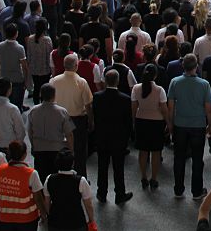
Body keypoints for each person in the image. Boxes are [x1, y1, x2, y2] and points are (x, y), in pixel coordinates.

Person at [167, 53, 211, 200]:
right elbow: (208, 108)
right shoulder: (204, 84)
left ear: (183, 66)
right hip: (198, 126)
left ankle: (178, 189)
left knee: (179, 158)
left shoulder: (175, 82)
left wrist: (170, 125)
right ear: (196, 67)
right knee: (197, 159)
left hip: (180, 124)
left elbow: (170, 106)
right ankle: (196, 190)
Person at [92, 68, 134, 204]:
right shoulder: (125, 99)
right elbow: (128, 121)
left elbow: (95, 116)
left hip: (102, 136)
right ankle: (120, 194)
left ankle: (101, 193)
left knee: (102, 166)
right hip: (118, 137)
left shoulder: (97, 97)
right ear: (118, 81)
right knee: (118, 167)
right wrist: (127, 137)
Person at [49, 53, 93, 176]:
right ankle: (80, 176)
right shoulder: (81, 82)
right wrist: (90, 120)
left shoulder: (54, 81)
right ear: (76, 66)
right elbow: (88, 104)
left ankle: (60, 174)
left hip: (58, 119)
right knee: (79, 151)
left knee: (60, 149)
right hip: (77, 120)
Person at [0, 140, 47, 231]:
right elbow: (38, 198)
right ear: (25, 155)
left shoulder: (0, 170)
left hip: (5, 217)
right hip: (27, 218)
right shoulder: (31, 173)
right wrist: (43, 214)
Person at [26, 83, 74, 182]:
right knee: (56, 178)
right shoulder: (62, 111)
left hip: (39, 149)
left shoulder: (33, 111)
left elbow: (29, 131)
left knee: (41, 178)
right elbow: (69, 134)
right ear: (54, 95)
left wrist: (33, 145)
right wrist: (71, 150)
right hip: (56, 150)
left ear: (40, 95)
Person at [131, 63, 167, 190]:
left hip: (141, 121)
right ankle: (154, 178)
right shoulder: (160, 90)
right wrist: (168, 123)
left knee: (143, 151)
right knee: (156, 151)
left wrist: (134, 122)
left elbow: (134, 107)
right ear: (156, 75)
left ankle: (143, 177)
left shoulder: (136, 88)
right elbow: (164, 109)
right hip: (156, 122)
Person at [43, 148, 97, 231]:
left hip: (56, 222)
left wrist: (51, 216)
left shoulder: (49, 179)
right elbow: (88, 204)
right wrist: (91, 220)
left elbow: (47, 202)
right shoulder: (81, 181)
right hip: (76, 223)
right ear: (72, 164)